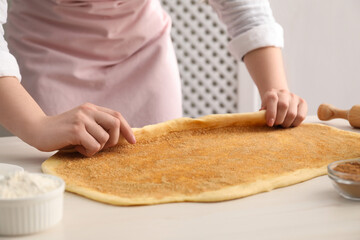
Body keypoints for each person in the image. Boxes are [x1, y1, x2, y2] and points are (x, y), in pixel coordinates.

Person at [0, 0, 307, 157]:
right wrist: (37, 126)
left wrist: (276, 90)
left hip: (143, 57)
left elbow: (241, 5)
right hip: (43, 59)